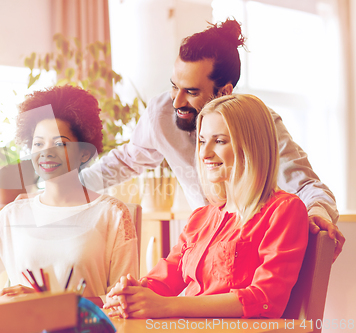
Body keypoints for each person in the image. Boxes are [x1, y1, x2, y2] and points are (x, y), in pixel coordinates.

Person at [80, 18, 344, 260]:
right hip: (202, 246)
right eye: (174, 86)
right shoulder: (161, 113)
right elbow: (126, 160)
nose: (177, 101)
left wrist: (317, 213)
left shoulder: (260, 125)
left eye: (191, 92)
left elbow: (309, 187)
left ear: (225, 91)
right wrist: (70, 187)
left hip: (252, 254)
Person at [103, 94, 309, 319]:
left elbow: (265, 299)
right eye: (202, 141)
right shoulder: (201, 217)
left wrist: (167, 306)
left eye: (219, 141)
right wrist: (133, 293)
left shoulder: (284, 210)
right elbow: (163, 280)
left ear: (252, 145)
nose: (204, 153)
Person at [0, 85, 138, 305]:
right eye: (38, 143)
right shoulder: (13, 215)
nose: (46, 152)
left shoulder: (112, 214)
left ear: (84, 152)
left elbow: (123, 301)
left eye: (60, 143)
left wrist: (51, 302)